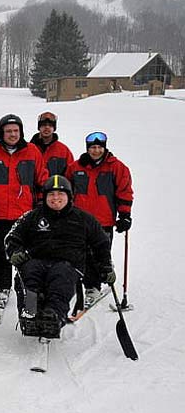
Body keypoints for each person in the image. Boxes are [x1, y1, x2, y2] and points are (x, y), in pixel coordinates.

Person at [5, 175, 114, 331]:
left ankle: (54, 314)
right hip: (37, 260)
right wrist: (15, 252)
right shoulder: (32, 216)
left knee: (60, 278)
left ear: (69, 197)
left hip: (69, 264)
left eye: (60, 194)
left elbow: (101, 243)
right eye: (51, 194)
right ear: (45, 197)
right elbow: (13, 237)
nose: (56, 198)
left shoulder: (84, 219)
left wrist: (106, 267)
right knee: (29, 274)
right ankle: (29, 313)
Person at [0, 114, 47, 312]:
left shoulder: (32, 152)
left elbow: (42, 180)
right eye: (8, 131)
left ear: (21, 132)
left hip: (25, 214)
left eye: (16, 131)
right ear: (1, 133)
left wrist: (41, 203)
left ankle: (27, 286)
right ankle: (2, 287)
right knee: (0, 252)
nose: (12, 134)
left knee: (26, 253)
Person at [65, 131, 134, 306]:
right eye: (92, 147)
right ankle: (84, 282)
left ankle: (92, 286)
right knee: (81, 252)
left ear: (104, 148)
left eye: (99, 147)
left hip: (104, 220)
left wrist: (124, 215)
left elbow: (124, 191)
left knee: (98, 253)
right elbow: (66, 191)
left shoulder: (116, 167)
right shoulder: (75, 168)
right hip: (79, 219)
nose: (96, 151)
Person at [29, 111, 74, 178]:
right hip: (32, 188)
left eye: (50, 125)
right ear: (39, 127)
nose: (47, 127)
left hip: (55, 187)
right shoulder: (28, 149)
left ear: (54, 128)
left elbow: (70, 174)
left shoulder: (64, 151)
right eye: (43, 125)